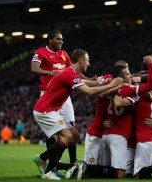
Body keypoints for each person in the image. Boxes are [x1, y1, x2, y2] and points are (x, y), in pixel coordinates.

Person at [33, 49, 123, 180]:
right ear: (81, 60)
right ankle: (48, 172)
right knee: (67, 136)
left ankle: (42, 158)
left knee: (74, 136)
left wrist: (105, 80)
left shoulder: (71, 73)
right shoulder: (69, 74)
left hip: (50, 109)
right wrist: (112, 85)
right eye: (87, 60)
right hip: (45, 110)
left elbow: (91, 83)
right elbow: (89, 92)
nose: (89, 63)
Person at [31, 30, 78, 165]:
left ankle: (72, 164)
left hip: (64, 95)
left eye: (62, 39)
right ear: (50, 40)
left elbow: (73, 72)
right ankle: (50, 165)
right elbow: (34, 68)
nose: (60, 42)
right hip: (48, 95)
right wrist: (50, 72)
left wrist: (89, 79)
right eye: (57, 39)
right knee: (53, 132)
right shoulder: (41, 52)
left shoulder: (64, 54)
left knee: (71, 128)